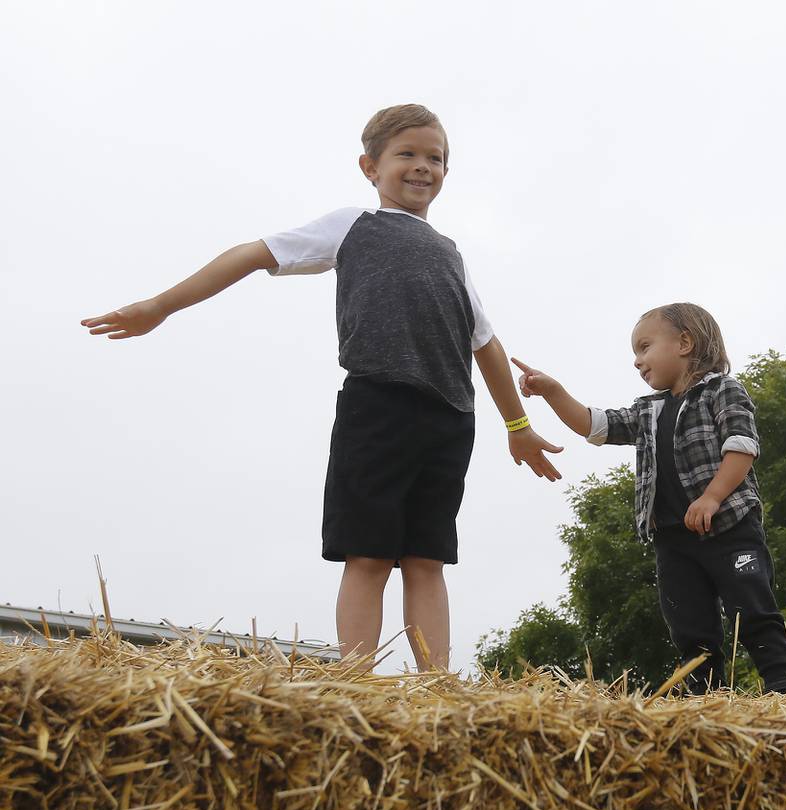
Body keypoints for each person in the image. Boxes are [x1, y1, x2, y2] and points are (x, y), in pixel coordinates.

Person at [80, 104, 562, 671]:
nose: (422, 167)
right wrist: (160, 305)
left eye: (436, 158)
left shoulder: (452, 254)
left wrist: (518, 426)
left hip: (450, 418)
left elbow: (487, 344)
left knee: (427, 558)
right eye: (406, 153)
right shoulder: (353, 224)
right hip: (377, 404)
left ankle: (438, 686)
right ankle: (355, 678)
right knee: (369, 554)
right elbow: (252, 254)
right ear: (370, 166)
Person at [512, 303, 786, 694]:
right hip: (673, 539)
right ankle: (703, 696)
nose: (637, 361)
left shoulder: (721, 390)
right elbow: (595, 425)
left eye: (644, 347)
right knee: (689, 625)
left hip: (730, 527)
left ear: (684, 342)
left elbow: (741, 446)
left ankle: (783, 686)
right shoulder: (647, 410)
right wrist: (552, 391)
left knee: (751, 609)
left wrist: (712, 498)